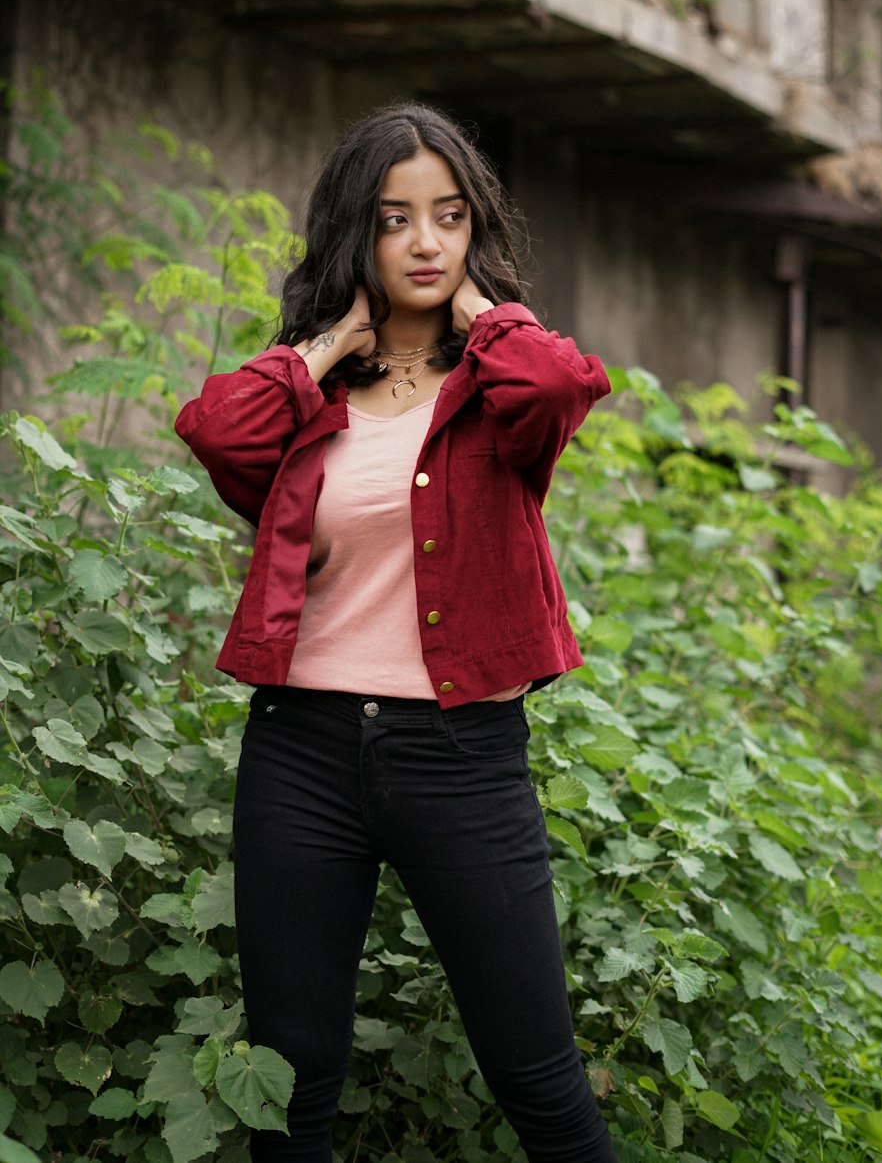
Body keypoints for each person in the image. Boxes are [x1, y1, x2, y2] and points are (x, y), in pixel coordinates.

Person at [175, 103, 617, 1163]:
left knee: (538, 1076)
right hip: (300, 750)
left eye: (449, 216)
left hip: (461, 755)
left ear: (474, 231)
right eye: (394, 219)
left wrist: (482, 309)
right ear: (353, 234)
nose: (424, 241)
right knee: (289, 1077)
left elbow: (564, 383)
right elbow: (214, 427)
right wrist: (330, 341)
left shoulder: (501, 386)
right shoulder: (306, 390)